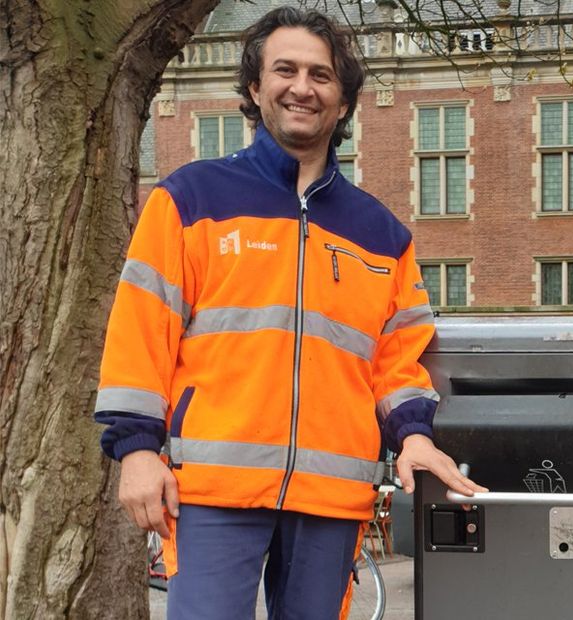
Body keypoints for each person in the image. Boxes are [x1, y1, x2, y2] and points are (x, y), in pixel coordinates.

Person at [94, 8, 484, 618]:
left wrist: (414, 436)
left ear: (344, 101)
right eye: (286, 69)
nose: (303, 86)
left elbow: (398, 360)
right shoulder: (190, 199)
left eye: (322, 75)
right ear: (255, 88)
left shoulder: (383, 234)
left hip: (332, 498)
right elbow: (141, 334)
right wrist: (136, 450)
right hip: (212, 489)